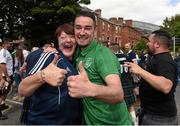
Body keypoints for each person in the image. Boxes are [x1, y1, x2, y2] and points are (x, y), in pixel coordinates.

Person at [67, 10, 131, 125]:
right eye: (78, 27)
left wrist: (89, 89)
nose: (82, 32)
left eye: (87, 28)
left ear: (94, 31)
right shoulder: (78, 52)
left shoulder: (103, 54)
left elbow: (117, 93)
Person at [18, 23, 82, 125]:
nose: (68, 40)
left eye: (71, 36)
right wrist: (42, 76)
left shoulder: (76, 61)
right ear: (57, 41)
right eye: (63, 37)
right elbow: (22, 90)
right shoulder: (51, 56)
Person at [125, 30, 178, 125]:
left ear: (157, 44)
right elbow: (155, 78)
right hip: (151, 113)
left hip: (159, 119)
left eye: (149, 41)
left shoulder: (164, 61)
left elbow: (166, 86)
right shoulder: (157, 58)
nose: (147, 44)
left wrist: (141, 71)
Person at [110, 43, 137, 124]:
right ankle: (135, 123)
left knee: (118, 106)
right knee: (130, 106)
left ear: (112, 49)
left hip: (118, 83)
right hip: (128, 82)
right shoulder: (126, 56)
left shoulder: (111, 58)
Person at [0, 39, 14, 120]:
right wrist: (5, 77)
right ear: (5, 44)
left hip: (5, 76)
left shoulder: (5, 51)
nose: (11, 45)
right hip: (6, 77)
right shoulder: (3, 52)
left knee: (5, 92)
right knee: (2, 94)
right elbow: (2, 65)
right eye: (10, 43)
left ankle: (2, 105)